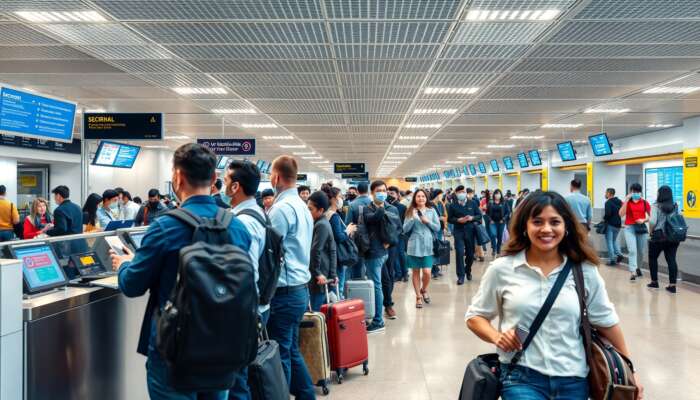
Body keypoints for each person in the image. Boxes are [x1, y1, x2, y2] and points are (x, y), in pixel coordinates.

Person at [466, 191, 642, 400]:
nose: (546, 229)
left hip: (574, 378)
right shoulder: (503, 269)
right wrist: (497, 336)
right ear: (525, 226)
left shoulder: (584, 270)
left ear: (566, 226)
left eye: (555, 222)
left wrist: (631, 372)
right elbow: (475, 316)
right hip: (521, 377)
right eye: (537, 222)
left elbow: (606, 322)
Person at [109, 143, 252, 400]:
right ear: (214, 179)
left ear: (177, 177)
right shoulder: (237, 228)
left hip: (172, 349)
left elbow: (132, 285)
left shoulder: (165, 226)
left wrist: (125, 264)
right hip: (222, 345)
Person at [266, 155, 316, 399]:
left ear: (276, 177)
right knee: (291, 349)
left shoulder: (281, 210)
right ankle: (307, 394)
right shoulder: (302, 207)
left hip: (284, 293)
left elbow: (268, 253)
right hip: (298, 289)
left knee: (281, 354)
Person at [224, 160, 266, 400]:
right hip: (253, 306)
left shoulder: (243, 222)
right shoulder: (255, 213)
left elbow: (244, 273)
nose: (222, 185)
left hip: (243, 311)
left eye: (226, 181)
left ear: (235, 186)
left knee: (237, 383)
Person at [362, 180, 400, 331]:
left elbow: (398, 228)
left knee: (379, 284)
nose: (382, 193)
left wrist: (389, 243)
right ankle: (378, 316)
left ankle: (378, 321)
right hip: (373, 251)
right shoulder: (367, 209)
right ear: (372, 193)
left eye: (384, 190)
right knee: (377, 284)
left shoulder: (392, 209)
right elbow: (372, 219)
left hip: (383, 252)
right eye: (379, 190)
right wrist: (381, 207)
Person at [402, 189, 440, 309]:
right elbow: (405, 229)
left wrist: (427, 221)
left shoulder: (431, 211)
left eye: (423, 196)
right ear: (415, 198)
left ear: (426, 198)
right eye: (418, 196)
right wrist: (413, 218)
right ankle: (418, 296)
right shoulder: (410, 211)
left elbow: (437, 228)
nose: (421, 198)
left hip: (428, 244)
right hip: (414, 245)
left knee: (427, 272)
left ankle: (423, 289)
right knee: (416, 272)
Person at [321, 185, 356, 300]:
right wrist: (348, 231)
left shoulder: (326, 214)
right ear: (333, 199)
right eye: (339, 196)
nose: (341, 199)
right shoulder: (334, 216)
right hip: (337, 256)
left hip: (328, 254)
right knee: (337, 286)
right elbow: (339, 237)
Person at [647, 185, 681, 294]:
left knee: (652, 258)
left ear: (659, 194)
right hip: (673, 236)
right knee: (671, 259)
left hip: (659, 236)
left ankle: (654, 282)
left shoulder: (656, 206)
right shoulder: (675, 205)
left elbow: (652, 221)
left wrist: (651, 231)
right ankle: (672, 285)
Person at [307, 191, 337, 311]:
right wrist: (333, 274)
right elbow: (332, 249)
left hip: (320, 275)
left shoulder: (321, 225)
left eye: (310, 209)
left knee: (316, 310)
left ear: (320, 210)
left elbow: (316, 250)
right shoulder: (322, 223)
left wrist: (317, 272)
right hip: (324, 272)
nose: (308, 212)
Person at [448, 186, 482, 284]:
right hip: (458, 231)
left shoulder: (472, 203)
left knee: (470, 254)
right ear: (456, 194)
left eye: (463, 191)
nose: (461, 193)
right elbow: (450, 219)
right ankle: (461, 276)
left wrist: (472, 218)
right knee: (459, 253)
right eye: (459, 192)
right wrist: (458, 220)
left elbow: (479, 215)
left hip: (470, 231)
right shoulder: (453, 205)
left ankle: (468, 270)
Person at [619, 183, 650, 282]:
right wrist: (626, 200)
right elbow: (621, 214)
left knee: (640, 251)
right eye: (634, 191)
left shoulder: (644, 203)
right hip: (629, 228)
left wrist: (644, 220)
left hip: (641, 228)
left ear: (640, 192)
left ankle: (638, 268)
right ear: (630, 192)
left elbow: (651, 217)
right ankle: (633, 271)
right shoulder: (628, 202)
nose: (636, 193)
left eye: (637, 191)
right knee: (632, 250)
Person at [345, 182, 372, 280]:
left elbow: (349, 223)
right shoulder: (373, 203)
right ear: (368, 191)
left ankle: (358, 282)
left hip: (358, 239)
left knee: (358, 263)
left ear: (357, 191)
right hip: (373, 238)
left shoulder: (352, 204)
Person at [387, 186, 407, 283]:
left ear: (397, 195)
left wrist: (402, 231)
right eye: (388, 194)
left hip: (400, 234)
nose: (390, 195)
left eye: (392, 194)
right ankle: (398, 274)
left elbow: (405, 220)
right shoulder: (386, 206)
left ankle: (405, 273)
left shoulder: (402, 207)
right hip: (391, 235)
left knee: (401, 253)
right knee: (394, 255)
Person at [603, 188, 623, 266]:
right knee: (613, 241)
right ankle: (619, 254)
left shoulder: (608, 202)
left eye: (606, 192)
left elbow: (608, 214)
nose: (605, 194)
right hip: (618, 225)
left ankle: (612, 260)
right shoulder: (619, 202)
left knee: (609, 242)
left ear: (609, 193)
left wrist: (604, 219)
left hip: (610, 225)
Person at [431, 189, 448, 279]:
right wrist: (439, 218)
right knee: (434, 248)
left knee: (438, 248)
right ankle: (433, 269)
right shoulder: (430, 205)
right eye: (441, 195)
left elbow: (444, 215)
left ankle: (436, 267)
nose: (442, 197)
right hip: (434, 230)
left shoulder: (440, 204)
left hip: (440, 229)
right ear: (437, 195)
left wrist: (444, 225)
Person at [487, 189, 509, 256]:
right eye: (496, 194)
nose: (497, 195)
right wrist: (490, 219)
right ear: (494, 195)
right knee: (493, 235)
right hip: (492, 222)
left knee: (499, 236)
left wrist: (504, 219)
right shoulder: (490, 203)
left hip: (501, 222)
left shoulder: (504, 203)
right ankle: (494, 249)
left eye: (499, 193)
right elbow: (487, 213)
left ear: (501, 194)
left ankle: (498, 249)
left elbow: (508, 212)